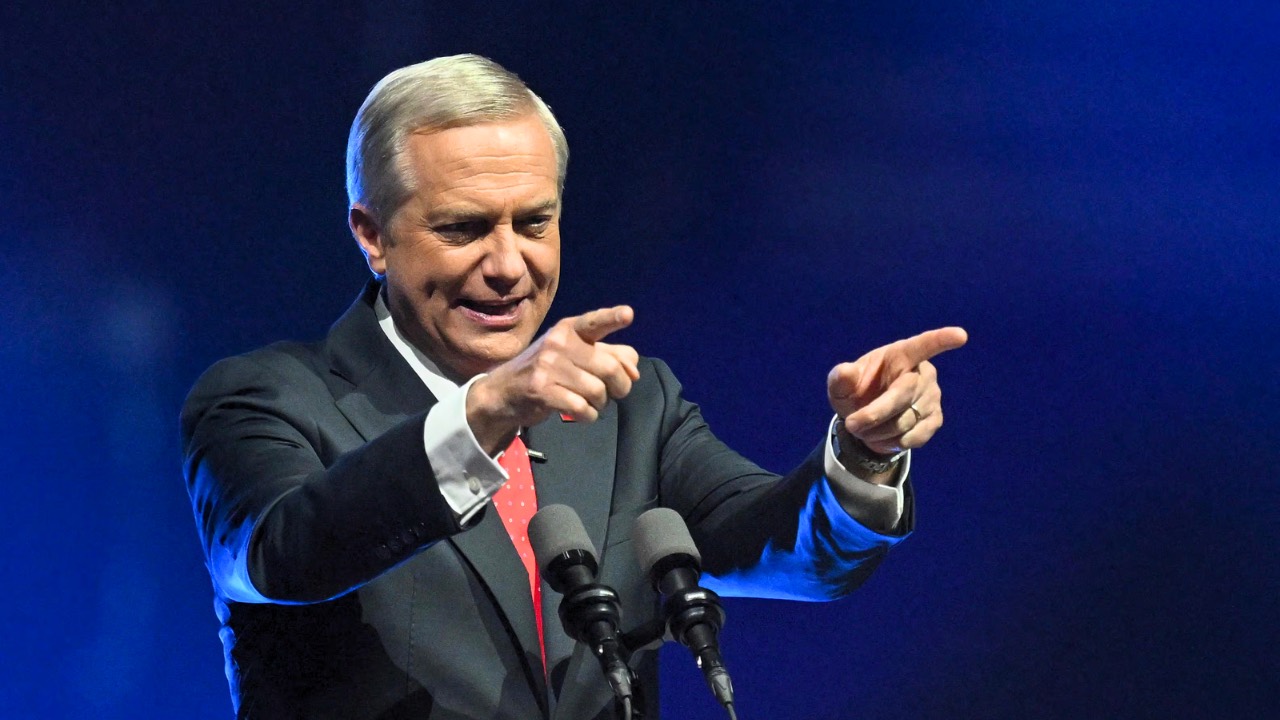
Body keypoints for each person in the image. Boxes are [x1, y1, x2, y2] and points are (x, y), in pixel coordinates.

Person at [181, 53, 967, 719]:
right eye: (463, 228)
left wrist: (862, 455)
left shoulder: (630, 404)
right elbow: (282, 557)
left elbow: (794, 557)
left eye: (533, 222)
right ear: (373, 235)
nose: (507, 265)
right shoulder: (261, 398)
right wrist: (487, 411)